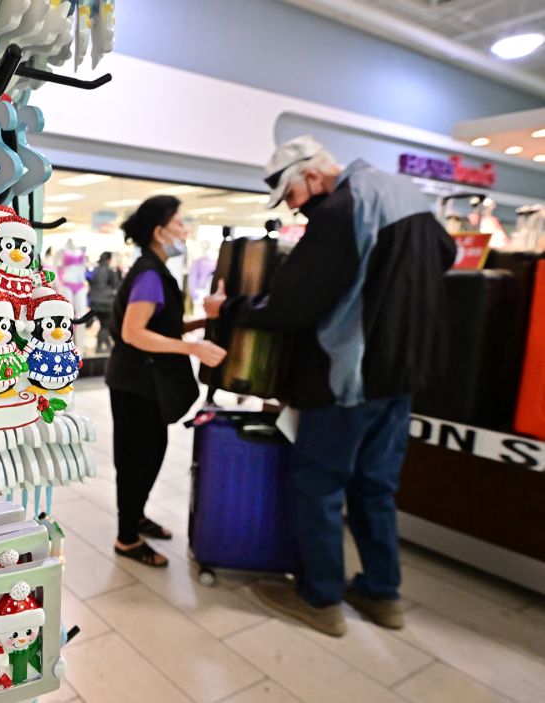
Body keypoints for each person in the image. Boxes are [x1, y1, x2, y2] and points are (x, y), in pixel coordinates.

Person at [205, 136, 456, 636]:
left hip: (349, 378)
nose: (296, 210)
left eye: (292, 197)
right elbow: (446, 255)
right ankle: (383, 596)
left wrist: (227, 309)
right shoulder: (403, 192)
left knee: (319, 486)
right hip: (403, 377)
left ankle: (321, 600)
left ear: (311, 177)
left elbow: (291, 306)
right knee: (376, 487)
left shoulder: (341, 208)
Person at [106, 196, 227, 567]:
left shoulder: (156, 271)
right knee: (136, 461)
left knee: (149, 455)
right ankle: (127, 539)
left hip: (145, 384)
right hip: (136, 385)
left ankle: (137, 516)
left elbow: (161, 325)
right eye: (179, 224)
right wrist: (193, 348)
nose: (185, 230)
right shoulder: (147, 274)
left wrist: (204, 321)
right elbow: (135, 333)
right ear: (159, 232)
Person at [89, 252, 121, 353]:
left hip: (95, 303)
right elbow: (116, 286)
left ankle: (105, 345)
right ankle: (101, 347)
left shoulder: (94, 270)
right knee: (105, 325)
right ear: (108, 260)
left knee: (104, 325)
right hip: (106, 303)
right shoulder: (110, 271)